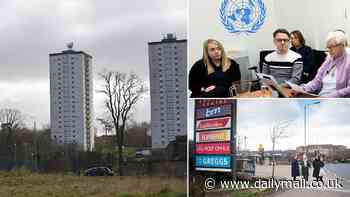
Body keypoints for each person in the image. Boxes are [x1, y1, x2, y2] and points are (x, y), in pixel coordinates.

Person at [300, 30, 350, 97]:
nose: (329, 50)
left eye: (331, 47)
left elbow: (348, 89)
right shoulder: (329, 60)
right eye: (328, 47)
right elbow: (317, 81)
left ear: (342, 45)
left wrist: (332, 96)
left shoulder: (348, 62)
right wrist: (303, 88)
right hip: (321, 98)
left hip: (338, 101)